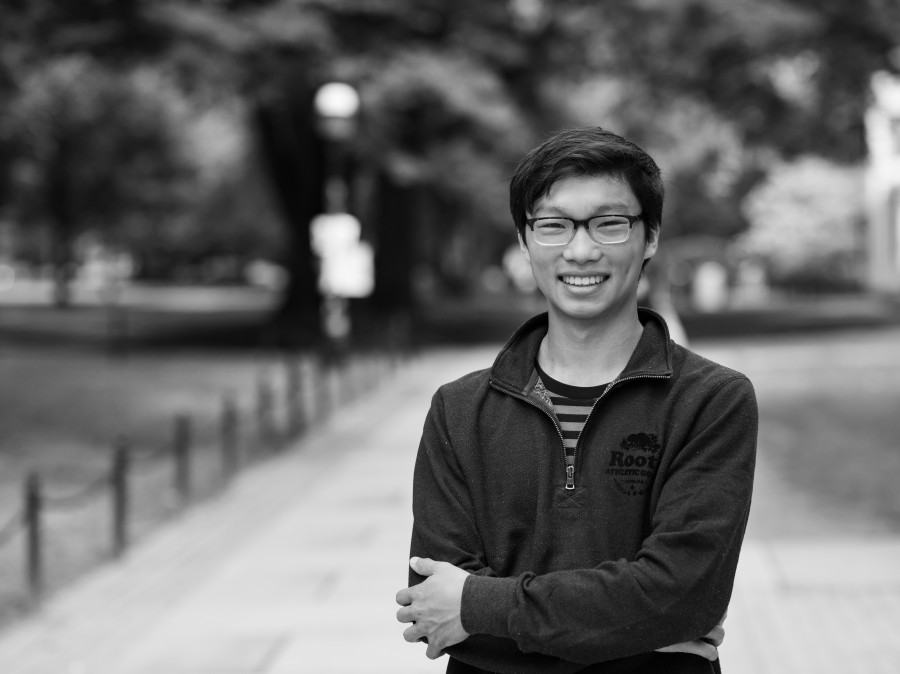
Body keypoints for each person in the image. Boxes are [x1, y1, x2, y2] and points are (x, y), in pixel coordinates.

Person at [395, 127, 757, 674]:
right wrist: (636, 634)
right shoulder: (459, 410)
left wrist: (478, 605)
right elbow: (431, 609)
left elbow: (683, 596)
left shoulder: (711, 400)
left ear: (651, 236)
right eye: (553, 225)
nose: (581, 250)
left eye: (610, 223)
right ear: (524, 241)